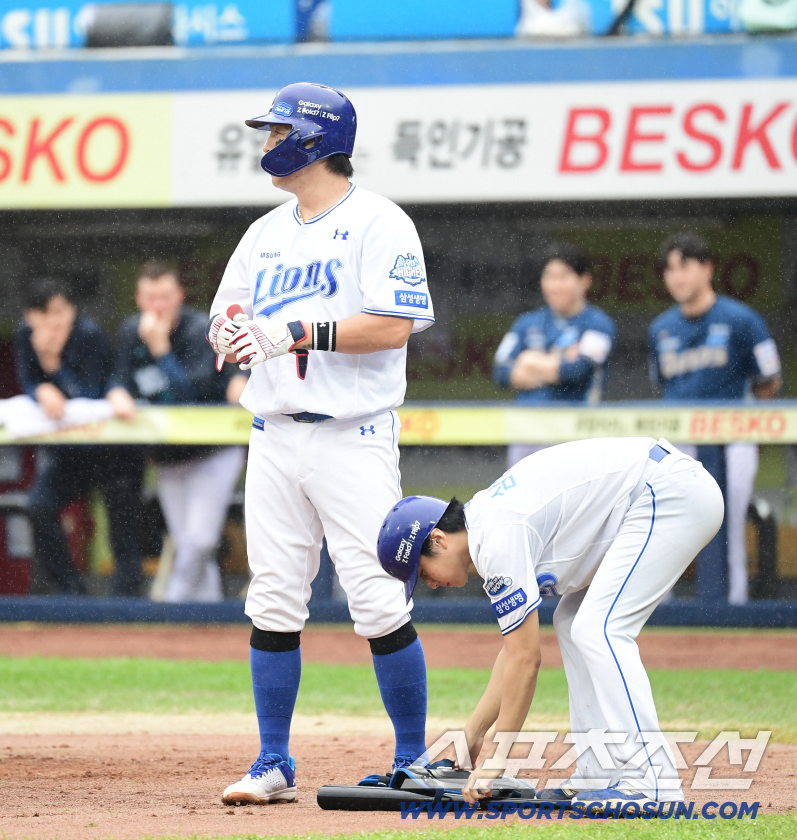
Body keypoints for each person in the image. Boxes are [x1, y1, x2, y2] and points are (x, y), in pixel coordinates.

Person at [208, 82, 435, 805]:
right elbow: (227, 308)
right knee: (272, 597)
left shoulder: (380, 221)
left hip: (352, 435)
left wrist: (300, 331)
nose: (267, 143)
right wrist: (228, 329)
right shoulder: (264, 231)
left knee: (378, 597)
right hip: (274, 433)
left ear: (316, 138)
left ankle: (412, 760)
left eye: (278, 131)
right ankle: (273, 762)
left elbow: (394, 325)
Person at [380, 437, 724, 805]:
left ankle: (653, 780)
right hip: (657, 493)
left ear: (438, 539)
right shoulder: (487, 529)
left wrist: (497, 759)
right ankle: (599, 771)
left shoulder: (496, 535)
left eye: (422, 572)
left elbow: (526, 660)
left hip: (670, 491)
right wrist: (473, 734)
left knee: (599, 629)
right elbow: (514, 651)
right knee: (572, 622)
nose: (430, 583)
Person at [649, 233, 782, 605]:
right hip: (678, 438)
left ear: (707, 268)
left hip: (732, 436)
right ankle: (659, 609)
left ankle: (731, 608)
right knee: (665, 525)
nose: (677, 277)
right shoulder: (660, 328)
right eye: (669, 270)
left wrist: (749, 426)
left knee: (728, 524)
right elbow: (662, 384)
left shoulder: (741, 319)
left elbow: (769, 380)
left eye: (685, 266)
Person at [112, 261, 244, 602]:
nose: (158, 305)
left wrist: (160, 349)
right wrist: (116, 392)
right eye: (150, 297)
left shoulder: (200, 329)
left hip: (213, 451)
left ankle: (172, 605)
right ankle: (206, 617)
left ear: (180, 296)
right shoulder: (130, 331)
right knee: (189, 543)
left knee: (201, 540)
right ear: (138, 299)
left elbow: (191, 397)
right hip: (168, 457)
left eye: (166, 297)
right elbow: (119, 378)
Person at [14, 279, 142, 596]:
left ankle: (128, 601)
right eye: (45, 314)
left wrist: (54, 367)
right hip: (70, 453)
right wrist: (41, 388)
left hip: (114, 450)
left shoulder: (90, 334)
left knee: (123, 520)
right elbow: (28, 381)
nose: (54, 322)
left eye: (61, 312)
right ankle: (71, 592)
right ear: (30, 317)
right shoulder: (24, 335)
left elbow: (91, 395)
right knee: (39, 506)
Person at [493, 243, 616, 466]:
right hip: (526, 433)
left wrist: (528, 362)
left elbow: (576, 372)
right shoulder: (526, 322)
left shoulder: (599, 324)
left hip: (575, 434)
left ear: (584, 280)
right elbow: (500, 372)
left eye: (563, 277)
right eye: (549, 277)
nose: (555, 285)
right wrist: (555, 365)